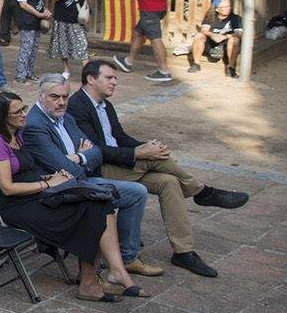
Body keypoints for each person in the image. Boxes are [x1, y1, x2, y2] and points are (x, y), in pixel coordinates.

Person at [68, 60, 246, 277]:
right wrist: (139, 154)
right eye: (109, 78)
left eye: (115, 78)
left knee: (169, 182)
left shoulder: (106, 105)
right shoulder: (77, 106)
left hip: (121, 166)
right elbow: (96, 150)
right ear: (91, 79)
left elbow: (121, 137)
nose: (115, 82)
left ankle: (183, 252)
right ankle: (202, 192)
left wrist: (145, 146)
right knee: (155, 160)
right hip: (99, 170)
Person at [0, 92, 135, 301]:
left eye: (24, 109)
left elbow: (26, 171)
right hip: (17, 207)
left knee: (100, 203)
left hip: (37, 195)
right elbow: (8, 188)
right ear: (2, 117)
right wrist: (47, 184)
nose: (24, 114)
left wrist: (52, 177)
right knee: (91, 212)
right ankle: (92, 282)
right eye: (17, 112)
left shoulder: (17, 136)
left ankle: (104, 275)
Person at [19, 75, 153, 277]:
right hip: (61, 190)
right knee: (104, 201)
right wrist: (83, 158)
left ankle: (127, 258)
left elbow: (97, 151)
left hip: (82, 180)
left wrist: (78, 157)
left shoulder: (65, 117)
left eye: (65, 97)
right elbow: (67, 171)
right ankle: (110, 265)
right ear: (41, 96)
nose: (62, 102)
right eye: (55, 97)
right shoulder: (35, 125)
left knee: (137, 193)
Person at [9, 0, 49, 83]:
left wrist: (45, 11)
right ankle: (20, 76)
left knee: (34, 48)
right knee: (26, 48)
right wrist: (39, 14)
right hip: (27, 20)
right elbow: (23, 4)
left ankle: (29, 72)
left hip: (36, 20)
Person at [190, 0, 242, 76]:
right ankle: (196, 64)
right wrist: (212, 35)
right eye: (225, 7)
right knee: (199, 36)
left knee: (235, 40)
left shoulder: (236, 18)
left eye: (229, 6)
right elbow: (204, 30)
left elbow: (239, 33)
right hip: (211, 45)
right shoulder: (210, 16)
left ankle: (231, 68)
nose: (228, 8)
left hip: (226, 46)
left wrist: (225, 36)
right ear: (217, 9)